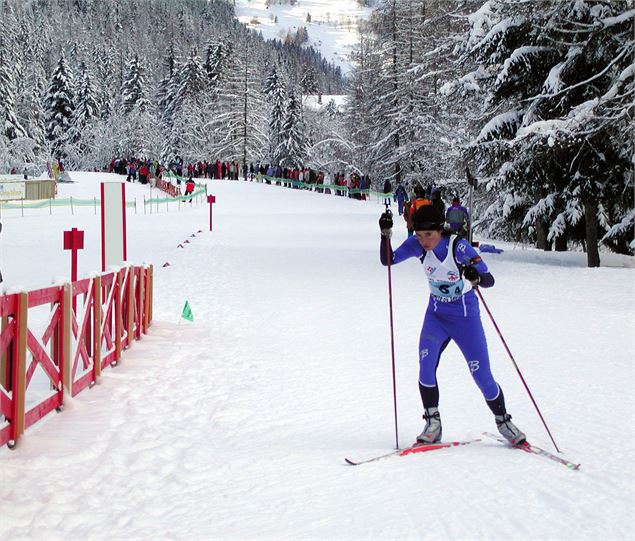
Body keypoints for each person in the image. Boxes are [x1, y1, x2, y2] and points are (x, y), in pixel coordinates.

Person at [377, 205, 526, 445]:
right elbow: (388, 260)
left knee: (481, 375)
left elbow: (488, 280)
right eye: (418, 234)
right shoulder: (417, 246)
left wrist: (473, 274)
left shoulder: (458, 247)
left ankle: (503, 420)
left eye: (429, 235)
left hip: (465, 318)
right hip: (436, 316)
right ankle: (432, 423)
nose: (423, 240)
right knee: (425, 367)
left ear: (440, 230)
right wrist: (385, 234)